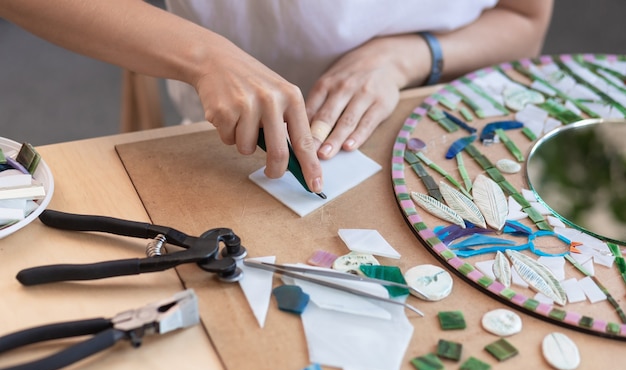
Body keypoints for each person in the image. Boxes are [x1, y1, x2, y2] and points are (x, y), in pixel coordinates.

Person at [0, 0, 553, 195]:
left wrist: (406, 56)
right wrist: (203, 57)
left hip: (446, 118)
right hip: (232, 142)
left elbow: (524, 20)